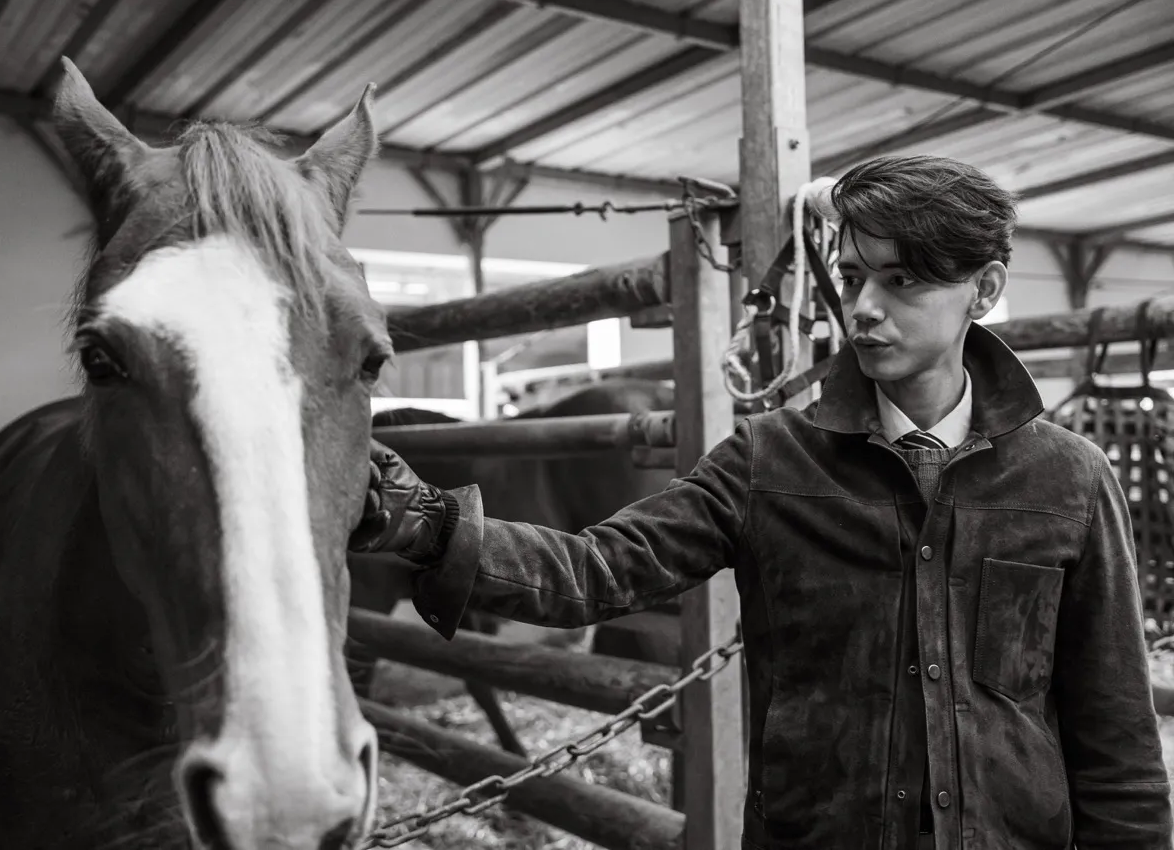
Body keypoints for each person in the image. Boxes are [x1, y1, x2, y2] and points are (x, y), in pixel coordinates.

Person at [349, 155, 1172, 849]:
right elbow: (600, 568)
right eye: (854, 277)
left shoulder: (1070, 478)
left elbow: (1117, 735)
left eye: (904, 280)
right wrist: (424, 521)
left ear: (985, 288)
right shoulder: (768, 460)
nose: (866, 309)